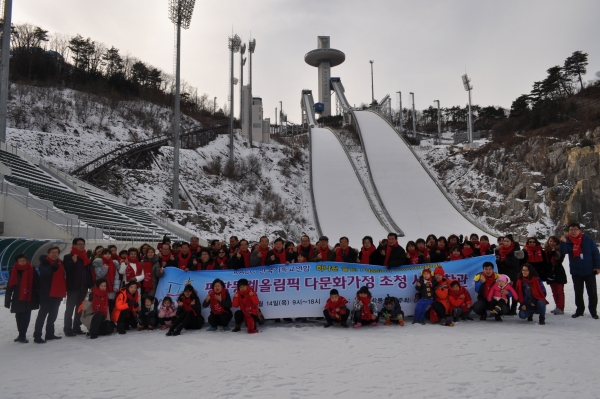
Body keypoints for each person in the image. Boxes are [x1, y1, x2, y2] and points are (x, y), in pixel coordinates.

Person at [560, 222, 600, 319]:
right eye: (571, 230)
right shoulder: (568, 241)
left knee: (592, 292)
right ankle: (579, 310)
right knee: (578, 292)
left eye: (575, 229)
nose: (573, 231)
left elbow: (596, 254)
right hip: (576, 271)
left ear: (579, 230)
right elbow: (563, 252)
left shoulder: (588, 241)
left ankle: (593, 311)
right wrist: (563, 242)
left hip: (589, 271)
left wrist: (598, 266)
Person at [33, 247, 66, 344]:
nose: (54, 254)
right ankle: (37, 335)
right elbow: (45, 273)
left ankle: (50, 334)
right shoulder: (44, 263)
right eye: (52, 252)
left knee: (53, 315)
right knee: (42, 315)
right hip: (47, 293)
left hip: (58, 293)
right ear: (48, 253)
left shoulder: (60, 263)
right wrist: (53, 268)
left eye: (56, 252)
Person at [5, 254, 40, 343]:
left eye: (23, 260)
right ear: (17, 262)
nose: (22, 262)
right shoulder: (13, 271)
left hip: (29, 297)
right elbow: (10, 286)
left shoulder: (32, 270)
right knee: (18, 316)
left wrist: (39, 297)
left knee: (26, 316)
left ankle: (22, 335)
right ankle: (20, 334)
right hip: (17, 297)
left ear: (26, 260)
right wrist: (7, 299)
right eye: (20, 261)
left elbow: (38, 284)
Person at [63, 237, 93, 337]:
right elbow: (67, 270)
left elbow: (88, 273)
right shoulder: (69, 257)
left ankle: (76, 327)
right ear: (74, 245)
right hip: (73, 287)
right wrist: (73, 262)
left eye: (83, 244)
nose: (81, 246)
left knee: (79, 309)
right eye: (79, 244)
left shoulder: (85, 258)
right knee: (70, 308)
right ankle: (67, 329)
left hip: (83, 287)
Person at [495, 235, 523, 315]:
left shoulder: (516, 251)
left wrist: (501, 262)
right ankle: (506, 307)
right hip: (503, 273)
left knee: (513, 291)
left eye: (508, 241)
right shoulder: (500, 250)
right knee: (504, 290)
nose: (506, 243)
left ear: (511, 242)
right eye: (504, 241)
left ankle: (513, 308)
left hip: (513, 273)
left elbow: (513, 263)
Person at [544, 236, 567, 315]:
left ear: (557, 243)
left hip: (558, 272)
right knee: (554, 291)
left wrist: (554, 253)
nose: (552, 243)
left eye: (554, 241)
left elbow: (559, 260)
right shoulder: (546, 251)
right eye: (550, 241)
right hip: (550, 272)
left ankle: (560, 307)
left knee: (559, 291)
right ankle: (557, 306)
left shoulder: (560, 250)